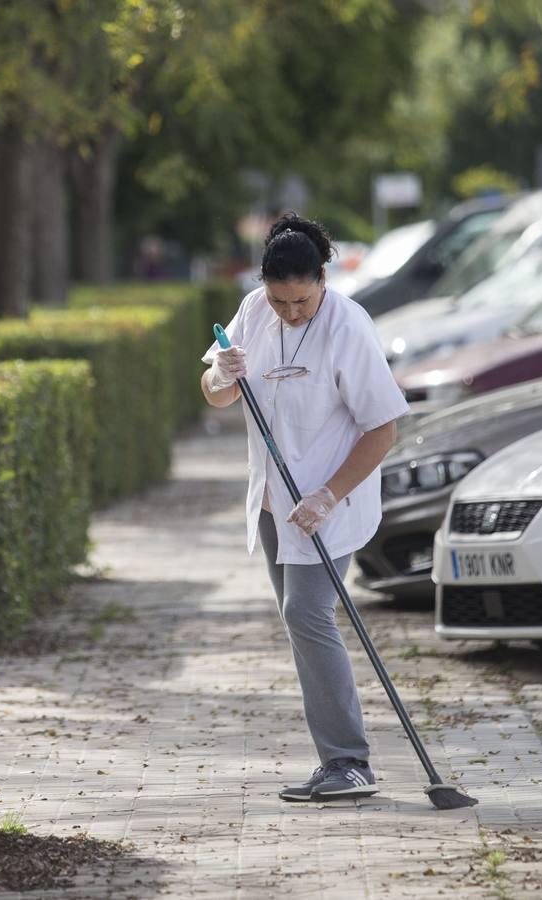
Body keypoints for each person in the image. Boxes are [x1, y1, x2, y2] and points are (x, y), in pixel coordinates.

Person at [200, 212, 409, 802]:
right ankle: (337, 758)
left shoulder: (349, 326)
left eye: (301, 301)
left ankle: (349, 761)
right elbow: (215, 396)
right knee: (300, 622)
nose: (290, 313)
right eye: (279, 300)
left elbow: (382, 428)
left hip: (331, 497)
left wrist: (327, 495)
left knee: (307, 614)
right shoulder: (252, 311)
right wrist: (222, 375)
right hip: (273, 500)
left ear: (322, 279)